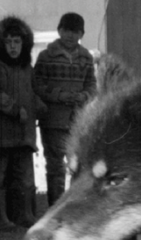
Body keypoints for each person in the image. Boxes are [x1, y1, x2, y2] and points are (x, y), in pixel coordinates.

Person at [0, 15, 44, 230]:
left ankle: (25, 216)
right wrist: (15, 108)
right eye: (9, 42)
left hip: (23, 136)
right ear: (1, 43)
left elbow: (32, 94)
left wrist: (42, 107)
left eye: (17, 41)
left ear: (24, 43)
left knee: (25, 179)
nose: (13, 46)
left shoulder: (27, 70)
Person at [33, 11, 98, 207]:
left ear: (81, 34)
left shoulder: (86, 58)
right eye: (67, 31)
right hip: (52, 120)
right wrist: (60, 96)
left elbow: (92, 85)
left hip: (77, 121)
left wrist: (84, 97)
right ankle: (55, 206)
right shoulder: (46, 56)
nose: (71, 35)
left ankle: (73, 207)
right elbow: (37, 85)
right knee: (54, 166)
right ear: (59, 31)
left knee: (77, 166)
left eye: (76, 32)